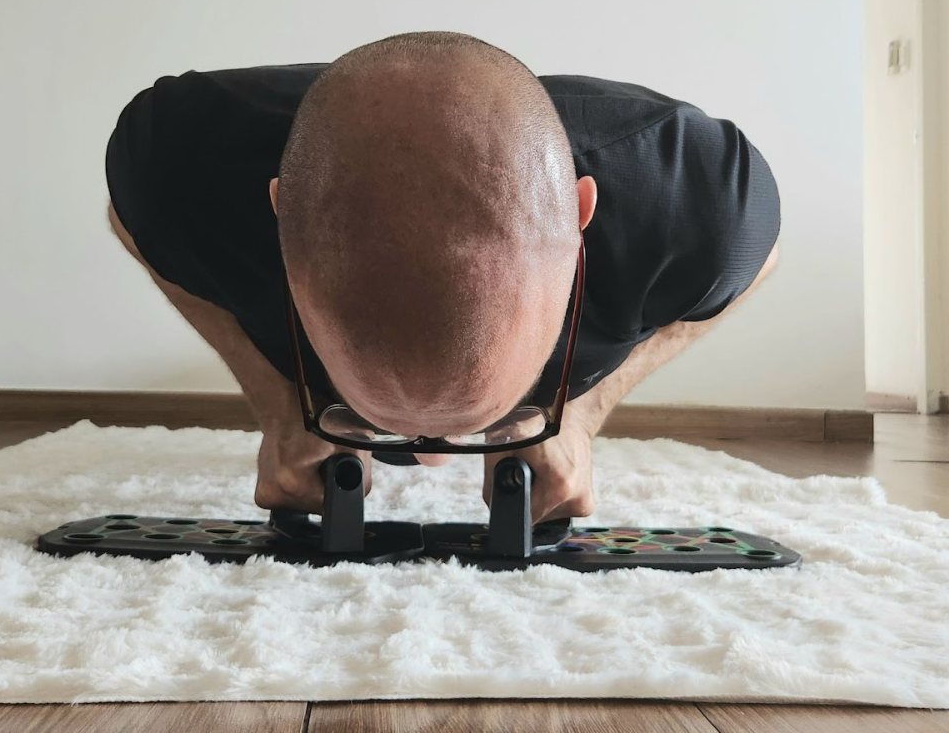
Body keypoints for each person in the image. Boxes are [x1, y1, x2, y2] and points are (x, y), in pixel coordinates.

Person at [105, 31, 779, 524]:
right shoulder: (184, 164)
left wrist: (576, 413)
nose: (430, 465)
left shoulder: (694, 199)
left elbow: (760, 261)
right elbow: (131, 220)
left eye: (479, 418)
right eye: (369, 408)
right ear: (280, 216)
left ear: (581, 219)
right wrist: (282, 403)